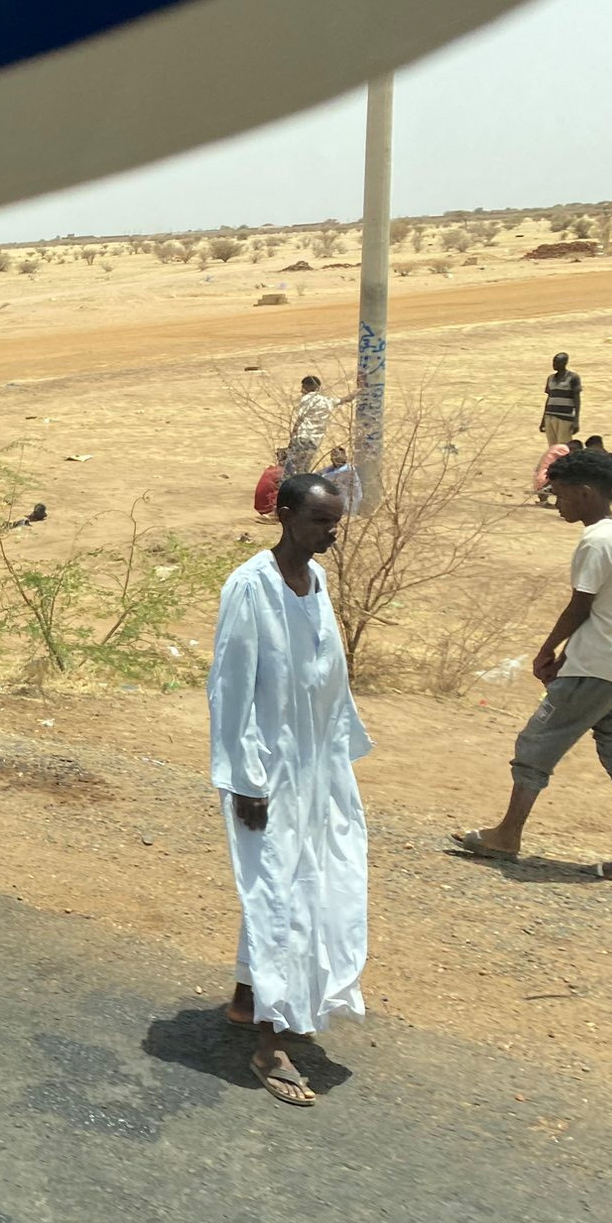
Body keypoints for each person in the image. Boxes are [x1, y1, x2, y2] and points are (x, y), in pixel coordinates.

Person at [209, 473, 371, 1108]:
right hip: (266, 772)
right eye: (319, 522)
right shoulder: (250, 586)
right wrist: (247, 779)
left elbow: (326, 676)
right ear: (283, 515)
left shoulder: (317, 579)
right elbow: (230, 687)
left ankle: (248, 998)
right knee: (282, 893)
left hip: (317, 767)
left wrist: (338, 755)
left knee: (313, 881)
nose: (330, 533)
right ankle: (270, 1044)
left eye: (335, 523)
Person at [454, 448, 612, 883]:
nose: (557, 503)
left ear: (586, 493)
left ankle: (507, 836)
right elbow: (607, 611)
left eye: (561, 494)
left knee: (536, 744)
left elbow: (581, 606)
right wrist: (564, 657)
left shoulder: (597, 540)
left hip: (596, 668)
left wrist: (548, 650)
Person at [285, 375, 354, 476]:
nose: (301, 390)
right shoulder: (327, 401)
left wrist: (292, 438)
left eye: (303, 387)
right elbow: (346, 399)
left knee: (289, 470)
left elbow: (300, 419)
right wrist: (359, 390)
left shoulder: (307, 398)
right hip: (314, 441)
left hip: (302, 438)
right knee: (304, 469)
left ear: (307, 387)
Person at [540, 351, 581, 447]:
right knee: (552, 446)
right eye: (553, 361)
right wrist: (543, 419)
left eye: (557, 362)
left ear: (564, 363)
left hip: (565, 418)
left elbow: (577, 400)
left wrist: (576, 420)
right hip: (550, 416)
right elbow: (549, 398)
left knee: (563, 446)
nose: (554, 364)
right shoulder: (550, 378)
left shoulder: (573, 377)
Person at [533, 437, 582, 506]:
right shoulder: (565, 450)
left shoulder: (555, 447)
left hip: (539, 479)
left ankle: (544, 498)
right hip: (545, 480)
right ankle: (550, 492)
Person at [319, 447, 362, 514]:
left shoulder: (348, 470)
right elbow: (320, 473)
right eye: (333, 457)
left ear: (344, 458)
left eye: (337, 458)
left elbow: (328, 478)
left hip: (347, 505)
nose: (334, 459)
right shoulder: (332, 468)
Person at [253, 453, 284, 519]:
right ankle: (275, 513)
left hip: (261, 506)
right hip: (270, 507)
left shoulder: (272, 470)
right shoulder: (285, 472)